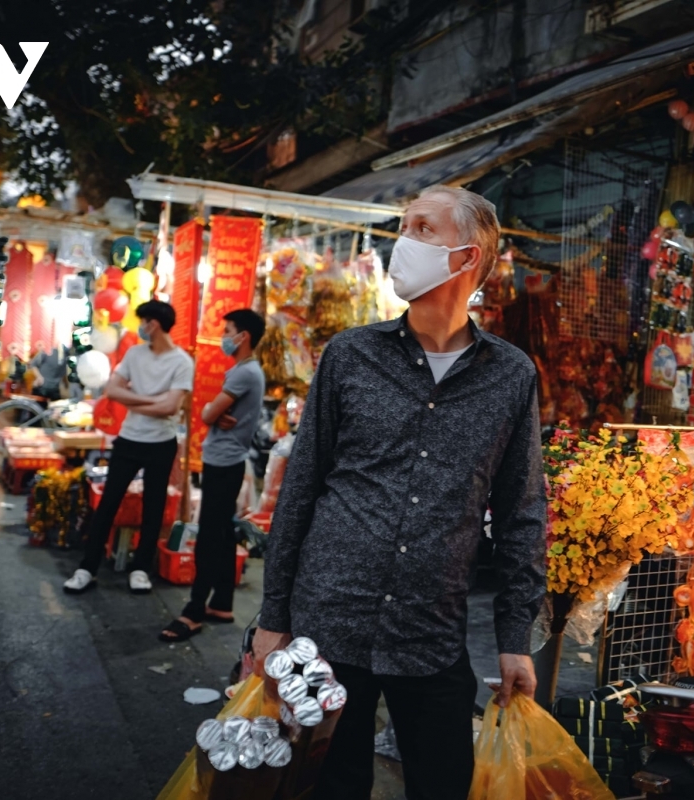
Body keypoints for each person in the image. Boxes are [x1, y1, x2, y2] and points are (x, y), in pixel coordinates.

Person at [255, 185, 547, 800]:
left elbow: (522, 510)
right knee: (325, 788)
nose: (403, 241)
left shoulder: (511, 375)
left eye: (422, 228)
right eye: (404, 225)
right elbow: (301, 486)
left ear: (466, 258)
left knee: (442, 783)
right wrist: (272, 617)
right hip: (327, 622)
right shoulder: (351, 355)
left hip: (431, 633)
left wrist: (514, 638)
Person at [64, 300, 194, 596]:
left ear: (154, 324)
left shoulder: (182, 362)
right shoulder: (135, 354)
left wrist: (135, 397)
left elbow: (172, 406)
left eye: (144, 322)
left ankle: (140, 569)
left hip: (161, 443)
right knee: (108, 503)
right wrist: (152, 401)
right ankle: (87, 567)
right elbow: (112, 390)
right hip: (129, 439)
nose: (141, 328)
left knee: (153, 507)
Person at [160, 308, 267, 642]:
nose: (224, 336)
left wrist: (212, 415)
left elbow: (208, 412)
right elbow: (215, 413)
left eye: (228, 330)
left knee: (209, 536)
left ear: (243, 335)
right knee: (220, 533)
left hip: (223, 462)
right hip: (228, 460)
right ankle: (221, 602)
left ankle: (193, 611)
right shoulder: (249, 371)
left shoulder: (243, 373)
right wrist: (215, 415)